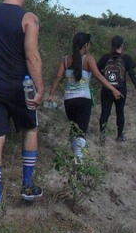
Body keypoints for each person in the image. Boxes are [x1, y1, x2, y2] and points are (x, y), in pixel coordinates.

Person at [0, 0, 46, 217]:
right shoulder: (29, 18)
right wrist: (40, 88)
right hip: (20, 86)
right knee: (30, 129)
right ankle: (27, 186)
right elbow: (32, 56)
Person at [46, 32, 121, 162]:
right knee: (81, 131)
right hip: (84, 100)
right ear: (85, 45)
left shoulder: (65, 60)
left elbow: (57, 78)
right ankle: (78, 159)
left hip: (69, 100)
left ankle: (75, 155)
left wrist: (51, 94)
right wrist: (113, 89)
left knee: (74, 128)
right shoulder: (88, 59)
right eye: (89, 44)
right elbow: (99, 76)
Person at [95, 35, 136, 143]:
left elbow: (97, 71)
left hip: (107, 89)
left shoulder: (105, 57)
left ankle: (102, 136)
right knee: (120, 112)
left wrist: (105, 80)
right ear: (122, 45)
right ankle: (120, 135)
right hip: (121, 90)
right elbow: (132, 74)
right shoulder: (126, 58)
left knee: (105, 112)